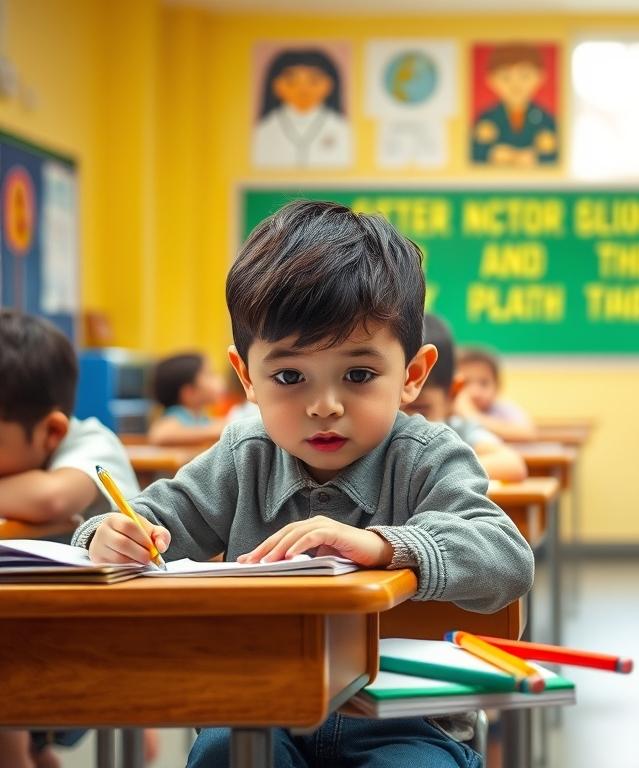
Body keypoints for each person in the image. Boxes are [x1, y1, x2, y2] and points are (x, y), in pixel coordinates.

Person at [77, 200, 534, 768]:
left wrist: (387, 547)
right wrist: (108, 536)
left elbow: (507, 556)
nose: (324, 405)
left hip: (406, 725)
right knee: (224, 756)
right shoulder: (243, 457)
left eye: (359, 374)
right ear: (247, 377)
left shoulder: (428, 457)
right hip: (257, 711)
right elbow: (146, 522)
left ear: (412, 375)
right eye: (290, 375)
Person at [0, 309, 143, 768]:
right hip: (36, 644)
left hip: (109, 651)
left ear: (52, 432)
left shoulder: (93, 444)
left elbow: (50, 498)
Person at [405, 316, 527, 482]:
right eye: (399, 411)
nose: (407, 424)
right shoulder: (376, 438)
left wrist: (435, 472)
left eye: (420, 411)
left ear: (453, 394)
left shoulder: (459, 430)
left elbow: (512, 465)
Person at [252, 49, 351, 168]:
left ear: (330, 85)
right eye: (291, 81)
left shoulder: (341, 129)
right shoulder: (264, 130)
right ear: (275, 85)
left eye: (314, 81)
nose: (303, 90)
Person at [470, 44, 558, 167]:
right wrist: (490, 153)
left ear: (540, 77)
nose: (515, 85)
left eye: (524, 76)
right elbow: (473, 155)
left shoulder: (546, 119)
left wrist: (539, 157)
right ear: (491, 80)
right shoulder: (487, 119)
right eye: (506, 78)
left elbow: (557, 156)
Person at [454, 346, 538, 443]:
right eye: (465, 383)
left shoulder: (502, 409)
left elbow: (528, 433)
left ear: (497, 386)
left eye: (484, 383)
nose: (475, 392)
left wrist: (472, 416)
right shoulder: (449, 411)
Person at [147, 352, 226, 446]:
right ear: (189, 392)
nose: (220, 379)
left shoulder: (200, 417)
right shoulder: (178, 414)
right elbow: (160, 434)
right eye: (210, 374)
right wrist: (218, 430)